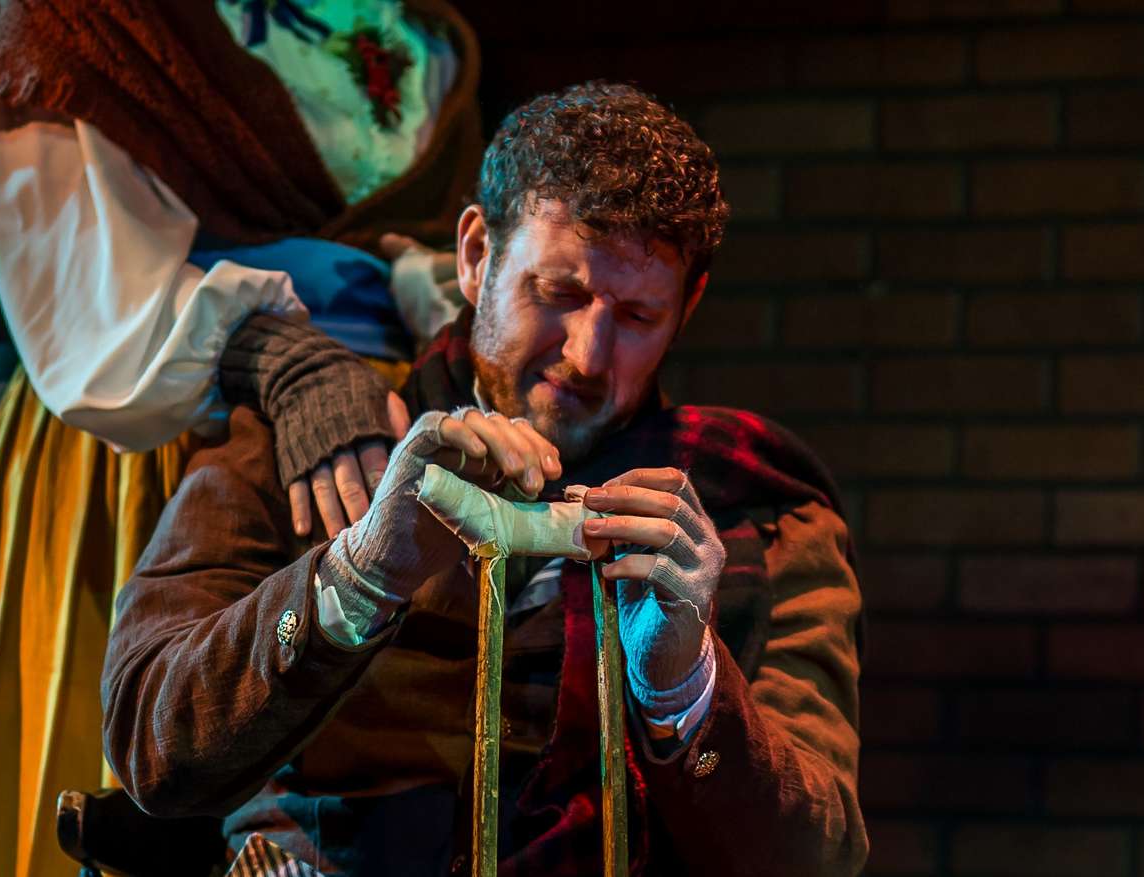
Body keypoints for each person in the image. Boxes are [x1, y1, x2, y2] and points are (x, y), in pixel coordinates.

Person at [102, 82, 867, 876]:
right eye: (557, 293)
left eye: (637, 317)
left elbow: (820, 859)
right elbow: (149, 748)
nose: (587, 355)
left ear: (688, 305)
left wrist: (687, 689)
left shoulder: (761, 514)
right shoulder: (308, 448)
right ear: (475, 254)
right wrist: (357, 577)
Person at [0, 2, 480, 874]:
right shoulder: (68, 21)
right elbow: (87, 299)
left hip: (379, 434)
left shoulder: (412, 29)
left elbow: (415, 224)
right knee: (150, 759)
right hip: (151, 428)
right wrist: (280, 357)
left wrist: (425, 290)